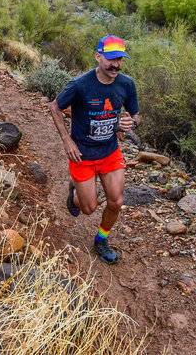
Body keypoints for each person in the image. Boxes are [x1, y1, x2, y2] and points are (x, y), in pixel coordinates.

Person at [48, 35, 140, 264]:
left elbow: (136, 115)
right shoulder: (80, 85)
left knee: (115, 202)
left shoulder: (126, 84)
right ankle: (75, 195)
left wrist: (132, 123)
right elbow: (55, 107)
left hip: (109, 152)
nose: (115, 65)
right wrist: (67, 141)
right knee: (88, 208)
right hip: (83, 154)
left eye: (119, 59)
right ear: (98, 56)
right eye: (111, 59)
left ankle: (101, 240)